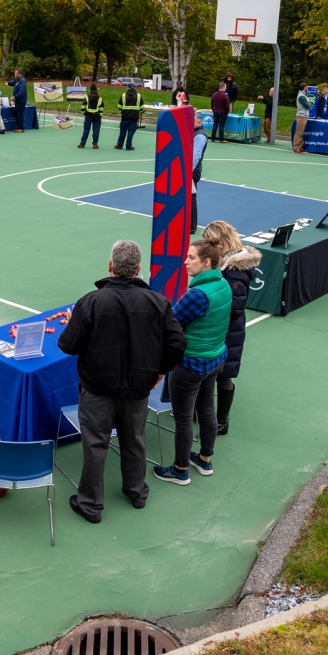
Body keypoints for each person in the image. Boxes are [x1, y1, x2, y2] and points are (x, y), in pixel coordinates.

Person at [57, 240, 186, 522]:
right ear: (138, 269)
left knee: (95, 445)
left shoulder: (90, 302)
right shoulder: (158, 302)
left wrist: (73, 324)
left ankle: (90, 505)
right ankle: (136, 492)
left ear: (110, 266)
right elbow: (177, 343)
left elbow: (67, 345)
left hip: (97, 390)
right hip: (138, 389)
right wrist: (160, 371)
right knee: (135, 441)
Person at [152, 239, 232, 485]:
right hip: (215, 360)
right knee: (207, 408)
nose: (185, 262)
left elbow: (169, 325)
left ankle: (180, 470)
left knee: (184, 418)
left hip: (190, 365)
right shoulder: (223, 284)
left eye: (191, 257)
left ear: (206, 262)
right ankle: (204, 459)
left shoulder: (196, 295)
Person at [200, 221, 261, 436]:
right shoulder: (227, 264)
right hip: (223, 328)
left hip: (228, 331)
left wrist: (209, 308)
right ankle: (207, 413)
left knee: (224, 375)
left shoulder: (234, 271)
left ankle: (222, 420)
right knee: (214, 373)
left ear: (218, 242)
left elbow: (235, 307)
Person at [190, 112, 208, 232]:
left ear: (198, 122)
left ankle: (191, 226)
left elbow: (196, 155)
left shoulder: (200, 136)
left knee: (190, 197)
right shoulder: (195, 133)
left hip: (192, 170)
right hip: (192, 169)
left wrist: (188, 171)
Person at [115, 83, 143, 150]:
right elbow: (141, 107)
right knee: (131, 132)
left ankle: (119, 145)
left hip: (125, 116)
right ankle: (128, 146)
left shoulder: (123, 95)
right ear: (134, 88)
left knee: (122, 131)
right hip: (134, 117)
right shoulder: (139, 96)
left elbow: (119, 106)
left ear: (127, 88)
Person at [78, 83, 104, 149]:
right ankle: (95, 144)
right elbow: (101, 108)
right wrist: (100, 115)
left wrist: (83, 113)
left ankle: (82, 144)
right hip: (97, 116)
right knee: (96, 130)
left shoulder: (87, 97)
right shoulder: (100, 98)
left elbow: (83, 106)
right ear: (96, 90)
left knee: (86, 130)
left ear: (90, 90)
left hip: (88, 115)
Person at [293, 84, 310, 154]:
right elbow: (307, 106)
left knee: (301, 132)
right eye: (307, 87)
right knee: (299, 132)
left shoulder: (303, 95)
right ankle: (296, 148)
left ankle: (300, 146)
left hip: (304, 115)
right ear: (304, 88)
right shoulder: (301, 96)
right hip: (301, 116)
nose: (307, 89)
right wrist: (309, 104)